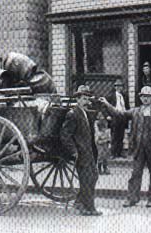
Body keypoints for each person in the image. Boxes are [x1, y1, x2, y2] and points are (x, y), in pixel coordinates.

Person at [100, 86, 151, 208]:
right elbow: (119, 114)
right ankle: (132, 198)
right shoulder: (135, 111)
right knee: (135, 174)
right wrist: (106, 104)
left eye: (148, 96)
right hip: (139, 148)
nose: (146, 99)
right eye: (143, 96)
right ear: (140, 98)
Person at [60, 85, 102, 216]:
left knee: (93, 177)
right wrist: (73, 152)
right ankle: (89, 208)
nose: (87, 102)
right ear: (77, 99)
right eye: (84, 99)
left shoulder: (86, 113)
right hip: (81, 154)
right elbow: (65, 135)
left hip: (89, 153)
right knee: (86, 180)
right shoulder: (73, 114)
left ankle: (79, 202)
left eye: (88, 99)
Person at [105, 79, 130, 158]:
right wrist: (107, 116)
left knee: (121, 135)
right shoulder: (110, 96)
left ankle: (120, 152)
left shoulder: (125, 96)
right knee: (114, 135)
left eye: (121, 86)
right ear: (115, 87)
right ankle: (113, 153)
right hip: (114, 117)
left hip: (122, 116)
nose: (119, 88)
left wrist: (127, 115)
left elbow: (127, 107)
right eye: (117, 86)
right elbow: (104, 107)